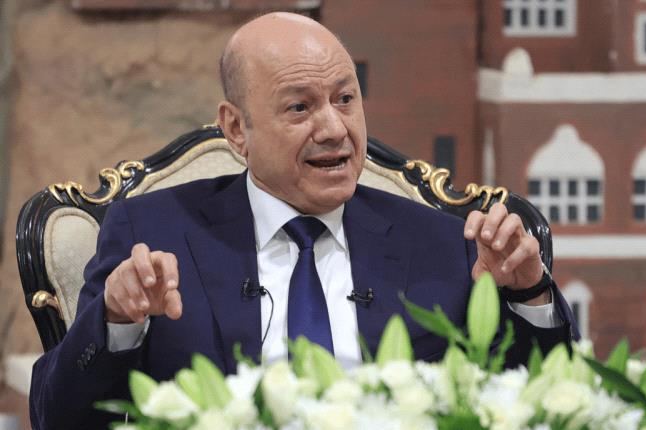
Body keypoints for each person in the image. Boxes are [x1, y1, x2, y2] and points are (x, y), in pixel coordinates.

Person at [29, 12, 576, 429]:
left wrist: (528, 293)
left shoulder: (443, 241)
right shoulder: (152, 231)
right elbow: (57, 416)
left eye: (346, 99)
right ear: (236, 129)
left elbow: (550, 403)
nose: (334, 129)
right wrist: (117, 320)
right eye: (300, 107)